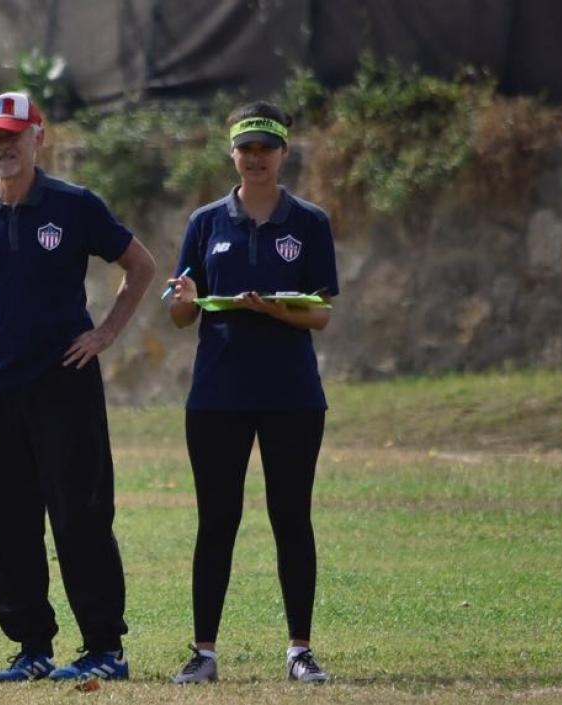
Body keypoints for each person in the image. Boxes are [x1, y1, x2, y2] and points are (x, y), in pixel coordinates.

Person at [0, 91, 156, 683]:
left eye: (13, 134)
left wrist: (106, 332)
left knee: (80, 516)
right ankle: (32, 647)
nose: (2, 146)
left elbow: (140, 265)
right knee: (7, 522)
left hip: (65, 383)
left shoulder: (74, 205)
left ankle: (104, 649)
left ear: (40, 135)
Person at [165, 101, 338, 684]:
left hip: (291, 394)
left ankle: (299, 651)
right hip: (217, 395)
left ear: (284, 153)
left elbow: (320, 316)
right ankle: (204, 652)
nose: (256, 158)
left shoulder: (309, 222)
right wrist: (185, 302)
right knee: (217, 520)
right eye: (246, 148)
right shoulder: (205, 223)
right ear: (232, 153)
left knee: (292, 517)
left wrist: (274, 310)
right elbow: (182, 313)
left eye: (267, 147)